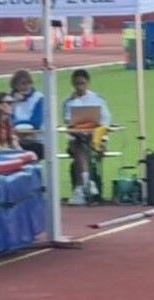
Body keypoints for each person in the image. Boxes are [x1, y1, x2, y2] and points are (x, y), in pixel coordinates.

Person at [62, 68, 112, 205]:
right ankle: (88, 183)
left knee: (83, 146)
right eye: (77, 84)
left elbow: (106, 121)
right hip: (76, 137)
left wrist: (100, 137)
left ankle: (81, 187)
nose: (79, 87)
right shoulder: (68, 101)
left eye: (82, 83)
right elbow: (68, 122)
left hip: (95, 138)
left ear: (88, 83)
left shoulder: (98, 99)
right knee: (79, 144)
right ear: (73, 84)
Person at [9, 69, 45, 160]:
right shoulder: (9, 99)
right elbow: (7, 119)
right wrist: (14, 102)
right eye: (23, 83)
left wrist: (19, 127)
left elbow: (36, 122)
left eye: (28, 83)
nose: (26, 86)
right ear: (15, 85)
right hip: (15, 139)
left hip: (36, 140)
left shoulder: (38, 97)